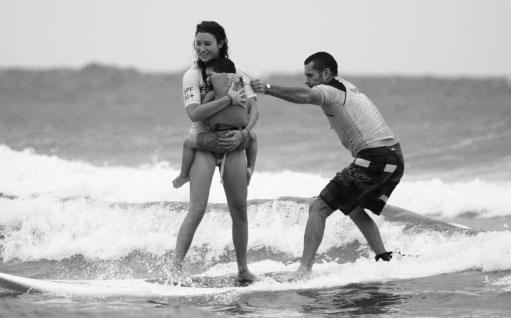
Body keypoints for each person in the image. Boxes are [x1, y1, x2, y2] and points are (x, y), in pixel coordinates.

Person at [251, 52, 404, 278]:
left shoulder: (331, 90)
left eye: (310, 75)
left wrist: (268, 88)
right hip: (394, 158)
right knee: (353, 207)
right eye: (305, 76)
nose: (307, 80)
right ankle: (384, 259)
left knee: (318, 208)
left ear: (326, 73)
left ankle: (303, 270)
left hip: (375, 157)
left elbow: (305, 96)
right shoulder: (347, 87)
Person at [171, 21, 258, 284]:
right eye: (198, 43)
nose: (201, 48)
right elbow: (194, 113)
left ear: (221, 43)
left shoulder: (238, 73)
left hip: (233, 142)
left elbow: (253, 109)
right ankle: (176, 268)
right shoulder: (192, 76)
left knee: (239, 209)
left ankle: (243, 270)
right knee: (197, 209)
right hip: (205, 144)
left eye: (207, 43)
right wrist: (226, 100)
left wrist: (244, 134)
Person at [172, 57, 258, 188]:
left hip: (219, 140)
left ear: (221, 76)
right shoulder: (239, 89)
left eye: (210, 76)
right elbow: (250, 109)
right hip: (239, 139)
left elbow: (202, 113)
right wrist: (244, 132)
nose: (207, 79)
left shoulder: (212, 93)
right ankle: (250, 167)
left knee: (188, 143)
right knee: (253, 137)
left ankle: (183, 175)